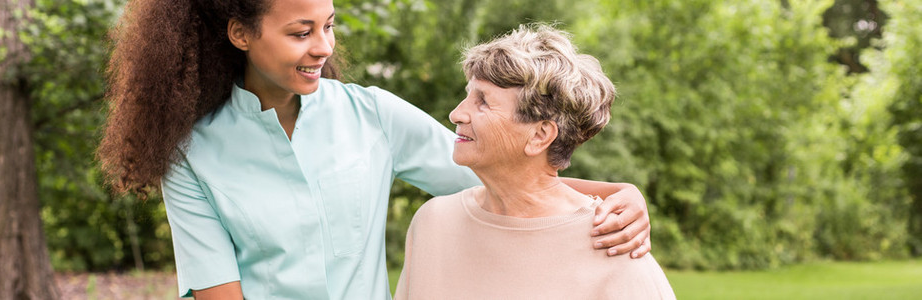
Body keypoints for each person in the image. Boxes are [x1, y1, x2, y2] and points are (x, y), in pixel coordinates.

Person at [97, 0, 653, 299]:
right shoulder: (192, 152)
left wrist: (615, 193)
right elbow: (218, 291)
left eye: (329, 26)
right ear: (241, 34)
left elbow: (504, 175)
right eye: (300, 32)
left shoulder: (372, 114)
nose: (324, 47)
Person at [394, 25, 675, 299]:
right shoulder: (433, 223)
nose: (457, 114)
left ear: (540, 135)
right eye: (467, 95)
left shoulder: (616, 246)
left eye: (483, 101)